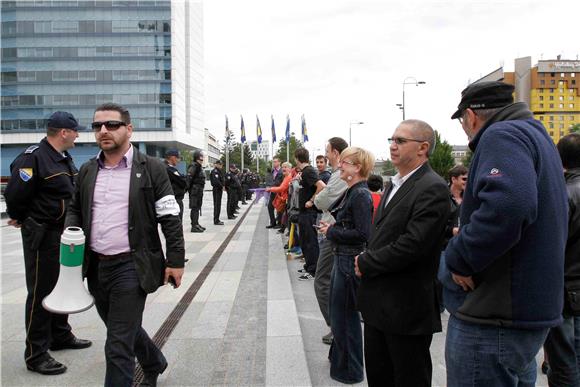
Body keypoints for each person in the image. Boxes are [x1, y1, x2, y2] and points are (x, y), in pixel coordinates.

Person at [442, 81, 568, 386]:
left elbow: (510, 205)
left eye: (462, 123)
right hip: (522, 310)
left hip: (495, 316)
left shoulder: (502, 135)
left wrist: (459, 258)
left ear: (470, 116)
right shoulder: (535, 134)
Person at [65, 103, 185, 387]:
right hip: (96, 266)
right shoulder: (87, 170)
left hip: (132, 265)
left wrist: (176, 260)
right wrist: (70, 233)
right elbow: (75, 208)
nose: (103, 131)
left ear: (129, 130)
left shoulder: (152, 168)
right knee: (123, 328)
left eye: (112, 125)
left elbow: (169, 216)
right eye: (97, 126)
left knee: (117, 344)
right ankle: (154, 361)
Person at [355, 119, 450, 386]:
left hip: (406, 309)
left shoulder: (432, 186)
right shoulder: (394, 183)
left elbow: (413, 244)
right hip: (378, 306)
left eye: (400, 141)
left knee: (409, 377)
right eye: (392, 140)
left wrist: (366, 261)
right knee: (379, 376)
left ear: (422, 148)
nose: (393, 146)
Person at [4, 111, 92, 375]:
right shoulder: (33, 158)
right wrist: (22, 219)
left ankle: (60, 334)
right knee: (41, 291)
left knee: (62, 283)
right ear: (63, 132)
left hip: (64, 234)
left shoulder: (63, 159)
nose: (78, 135)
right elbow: (16, 194)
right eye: (75, 130)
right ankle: (36, 353)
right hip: (43, 234)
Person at [318, 147, 374, 384]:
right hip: (342, 258)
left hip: (348, 261)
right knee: (340, 315)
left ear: (357, 167)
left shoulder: (360, 194)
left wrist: (332, 230)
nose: (339, 165)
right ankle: (342, 364)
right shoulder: (353, 191)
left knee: (346, 318)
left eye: (345, 162)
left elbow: (362, 233)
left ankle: (350, 370)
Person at [543, 133, 580, 386]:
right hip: (570, 287)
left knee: (564, 362)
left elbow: (549, 244)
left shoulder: (562, 195)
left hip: (564, 290)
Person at [313, 137, 349, 345]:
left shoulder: (338, 176)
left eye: (327, 151)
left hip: (333, 232)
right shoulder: (336, 175)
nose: (325, 156)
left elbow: (322, 201)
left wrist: (320, 196)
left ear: (335, 152)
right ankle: (339, 327)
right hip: (330, 231)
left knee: (322, 282)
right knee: (333, 282)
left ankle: (337, 327)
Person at [295, 147, 327, 280]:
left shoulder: (308, 171)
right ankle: (309, 265)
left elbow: (322, 186)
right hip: (304, 212)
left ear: (297, 158)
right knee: (305, 240)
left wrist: (311, 200)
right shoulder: (305, 172)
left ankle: (313, 270)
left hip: (309, 212)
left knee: (310, 241)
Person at [265, 162, 293, 233]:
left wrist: (270, 189)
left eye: (285, 167)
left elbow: (282, 188)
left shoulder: (288, 177)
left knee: (287, 215)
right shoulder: (286, 177)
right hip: (285, 199)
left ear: (290, 169)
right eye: (283, 167)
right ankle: (283, 229)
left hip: (288, 200)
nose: (283, 168)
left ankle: (287, 231)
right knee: (285, 214)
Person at [164, 149, 187, 221]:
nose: (178, 160)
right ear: (172, 157)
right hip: (174, 201)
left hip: (172, 200)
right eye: (178, 158)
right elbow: (183, 182)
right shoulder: (169, 169)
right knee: (177, 224)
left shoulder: (167, 168)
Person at [187, 150, 206, 233]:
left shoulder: (199, 166)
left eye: (202, 160)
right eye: (200, 159)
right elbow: (189, 178)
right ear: (196, 158)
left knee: (197, 207)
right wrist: (189, 189)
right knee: (194, 208)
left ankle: (196, 224)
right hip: (195, 190)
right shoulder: (194, 166)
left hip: (199, 190)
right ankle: (194, 226)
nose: (201, 161)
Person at [267, 158, 283, 229]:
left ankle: (279, 223)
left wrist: (271, 187)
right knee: (270, 206)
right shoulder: (272, 171)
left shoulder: (282, 171)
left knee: (279, 208)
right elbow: (271, 180)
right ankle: (273, 223)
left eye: (275, 162)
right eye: (273, 162)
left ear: (279, 162)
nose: (274, 163)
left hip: (279, 192)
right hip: (273, 191)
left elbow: (278, 182)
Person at [210, 160, 225, 225]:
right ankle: (216, 220)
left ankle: (217, 219)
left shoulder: (219, 171)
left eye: (221, 165)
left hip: (219, 189)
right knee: (216, 205)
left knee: (218, 205)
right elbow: (216, 182)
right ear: (217, 164)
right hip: (216, 190)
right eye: (220, 164)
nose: (221, 166)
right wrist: (222, 186)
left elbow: (222, 180)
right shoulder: (215, 172)